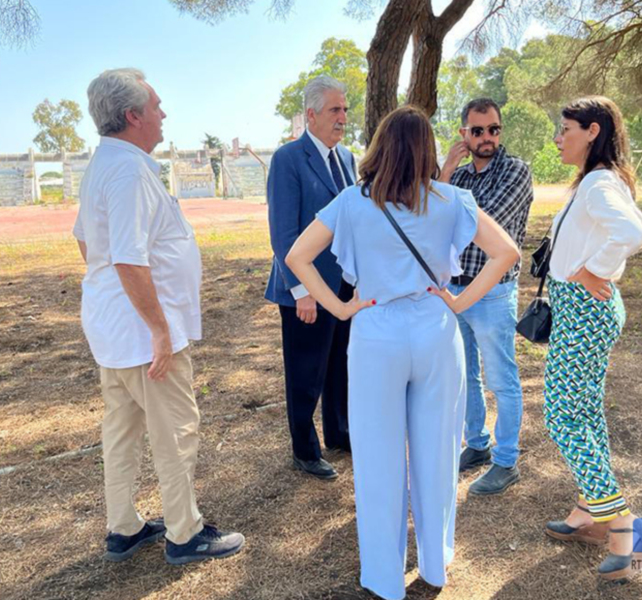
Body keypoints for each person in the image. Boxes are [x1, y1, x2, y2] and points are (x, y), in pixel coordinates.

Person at [285, 105, 519, 600]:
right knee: (437, 454)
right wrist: (457, 300)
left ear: (380, 147)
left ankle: (384, 577)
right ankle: (435, 566)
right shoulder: (452, 198)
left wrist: (340, 308)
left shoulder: (351, 202)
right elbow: (507, 253)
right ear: (428, 149)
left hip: (375, 333)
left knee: (377, 460)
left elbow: (296, 256)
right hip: (435, 329)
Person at [73, 68, 244, 565]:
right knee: (174, 429)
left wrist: (116, 296)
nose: (163, 113)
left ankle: (123, 527)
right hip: (139, 335)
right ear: (132, 116)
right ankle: (184, 533)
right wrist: (158, 328)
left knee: (122, 430)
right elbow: (128, 256)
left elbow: (87, 240)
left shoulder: (107, 163)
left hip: (114, 330)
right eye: (156, 105)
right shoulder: (127, 170)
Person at [541, 96, 642, 580]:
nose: (557, 137)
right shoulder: (593, 182)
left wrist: (593, 269)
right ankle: (590, 507)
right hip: (580, 308)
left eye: (564, 128)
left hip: (586, 308)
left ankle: (623, 523)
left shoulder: (598, 182)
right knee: (582, 410)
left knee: (562, 414)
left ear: (591, 131)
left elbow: (631, 231)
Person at [439, 98, 534, 495]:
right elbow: (431, 217)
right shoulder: (457, 178)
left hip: (494, 292)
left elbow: (482, 218)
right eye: (477, 131)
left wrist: (446, 206)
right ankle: (476, 444)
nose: (487, 137)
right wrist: (445, 169)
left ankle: (506, 460)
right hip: (457, 288)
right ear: (464, 134)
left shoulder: (516, 171)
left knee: (502, 379)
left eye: (493, 129)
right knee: (465, 376)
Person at [265, 75, 357, 480]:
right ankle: (305, 448)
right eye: (335, 110)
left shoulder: (348, 159)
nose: (343, 118)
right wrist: (300, 290)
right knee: (306, 373)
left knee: (340, 365)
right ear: (311, 115)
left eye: (345, 109)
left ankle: (340, 432)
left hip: (342, 287)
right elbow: (283, 232)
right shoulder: (288, 159)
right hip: (305, 290)